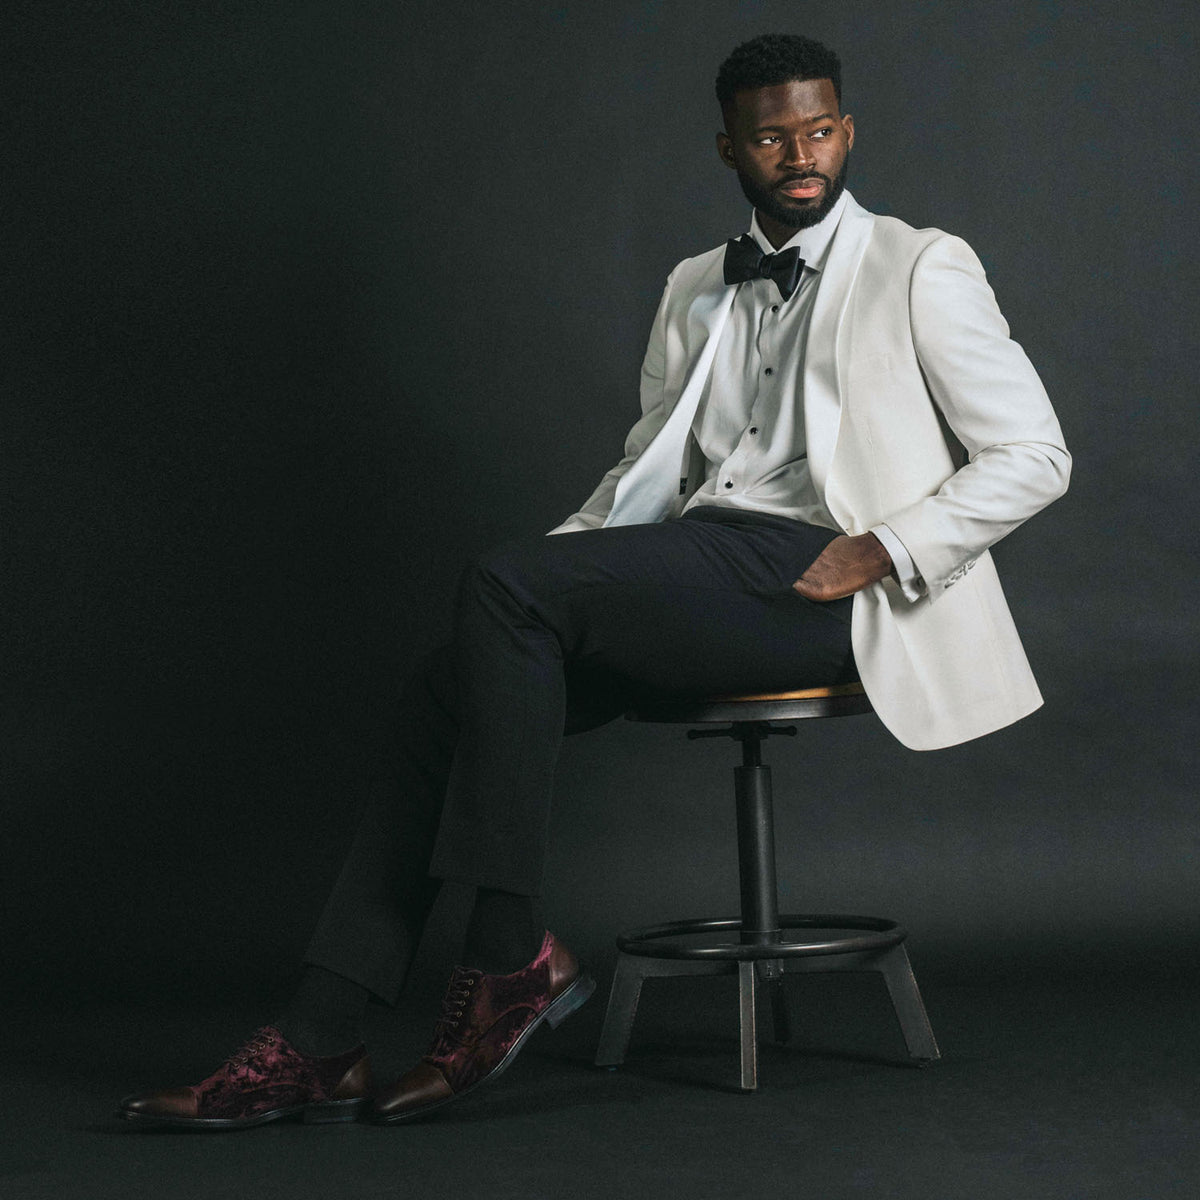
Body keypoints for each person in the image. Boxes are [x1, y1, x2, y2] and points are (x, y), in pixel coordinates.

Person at [119, 33, 1070, 1129]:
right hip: (707, 561)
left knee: (506, 591)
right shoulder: (692, 288)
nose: (799, 153)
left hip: (835, 589)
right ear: (730, 147)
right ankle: (321, 1037)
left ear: (847, 130)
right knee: (454, 679)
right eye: (771, 136)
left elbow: (1035, 456)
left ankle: (505, 953)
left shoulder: (921, 264)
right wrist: (556, 576)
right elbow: (649, 468)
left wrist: (886, 546)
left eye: (818, 129)